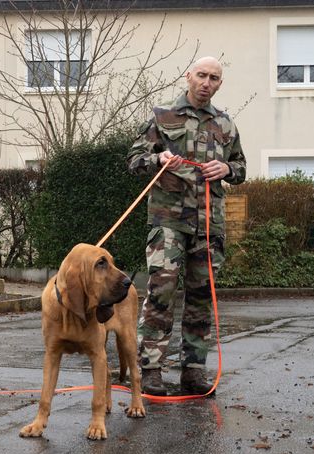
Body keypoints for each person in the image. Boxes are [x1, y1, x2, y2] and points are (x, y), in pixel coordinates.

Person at [126, 56, 246, 396]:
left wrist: (226, 170)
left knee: (201, 297)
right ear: (188, 76)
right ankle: (149, 370)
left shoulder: (225, 124)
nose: (207, 82)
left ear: (220, 84)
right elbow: (134, 160)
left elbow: (240, 167)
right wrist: (158, 158)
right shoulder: (162, 117)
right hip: (168, 222)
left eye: (215, 78)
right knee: (161, 293)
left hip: (209, 224)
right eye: (202, 75)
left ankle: (193, 371)